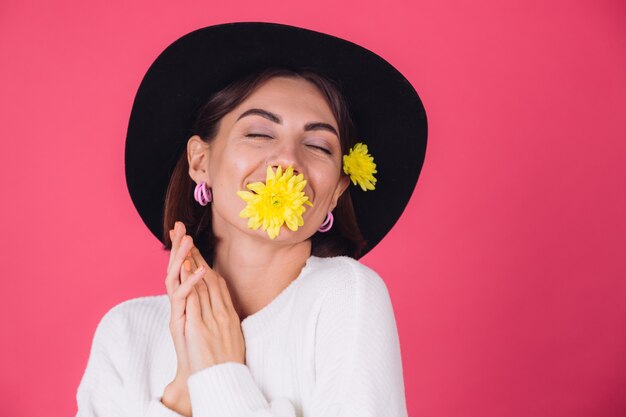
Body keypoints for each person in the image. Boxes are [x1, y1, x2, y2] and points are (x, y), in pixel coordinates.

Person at [76, 22, 427, 417]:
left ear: (337, 191)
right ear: (200, 161)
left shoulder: (345, 297)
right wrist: (181, 393)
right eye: (259, 134)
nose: (288, 160)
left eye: (317, 145)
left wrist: (220, 375)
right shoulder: (124, 333)